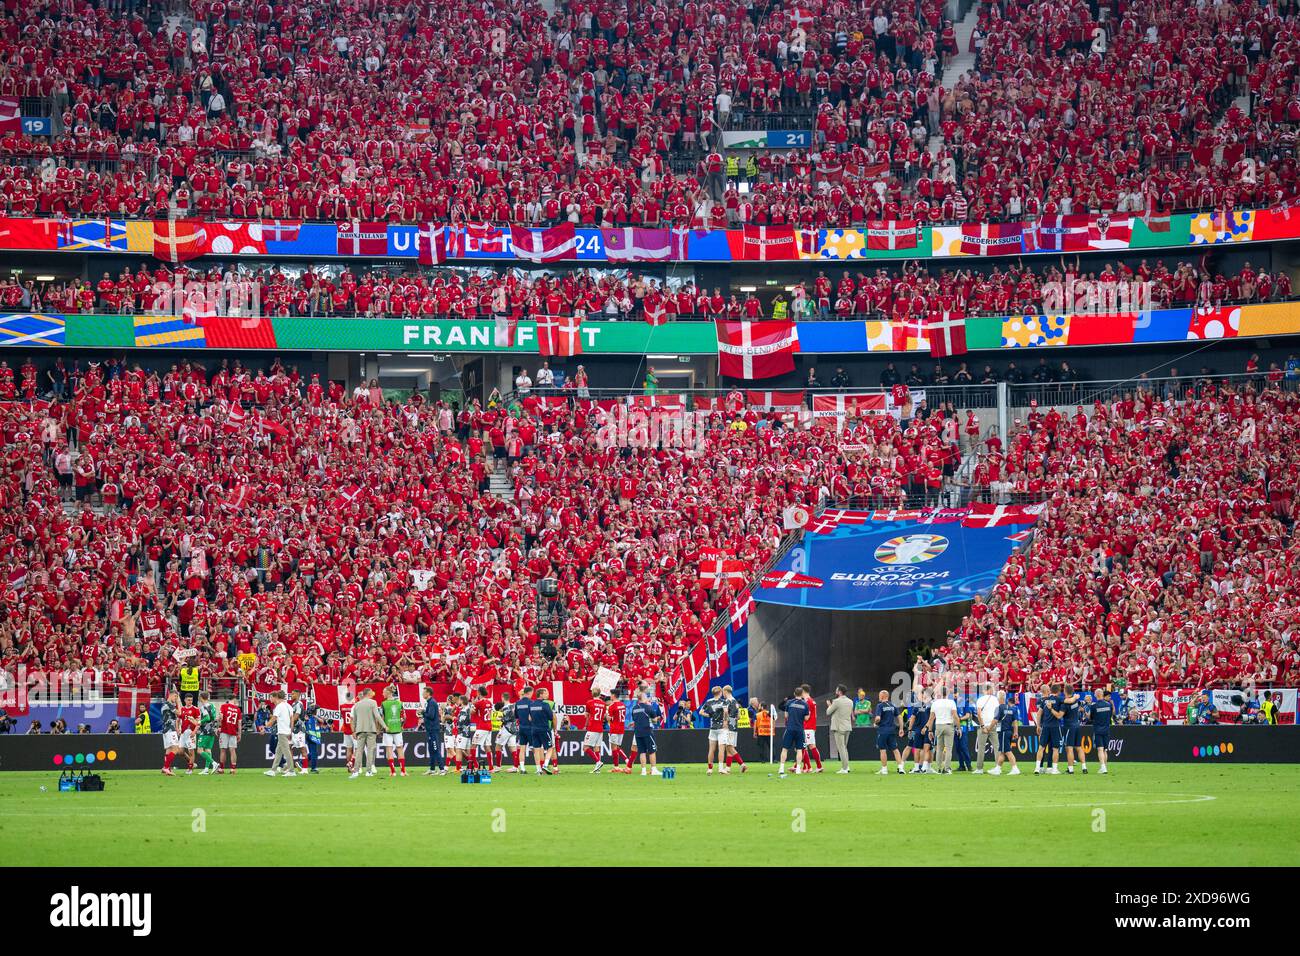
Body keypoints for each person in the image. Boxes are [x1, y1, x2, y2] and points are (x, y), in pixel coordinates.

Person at [349, 688, 383, 778]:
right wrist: (384, 726)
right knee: (370, 750)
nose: (373, 693)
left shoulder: (356, 705)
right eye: (371, 692)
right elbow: (377, 716)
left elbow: (353, 720)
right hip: (371, 730)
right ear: (368, 693)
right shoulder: (373, 702)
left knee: (359, 751)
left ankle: (356, 771)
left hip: (360, 730)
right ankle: (368, 771)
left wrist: (354, 730)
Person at [870, 690, 904, 775]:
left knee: (883, 750)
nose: (879, 697)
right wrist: (901, 728)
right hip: (892, 730)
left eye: (879, 695)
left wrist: (875, 723)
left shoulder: (880, 706)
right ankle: (900, 768)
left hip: (883, 731)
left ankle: (884, 769)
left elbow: (878, 718)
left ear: (882, 696)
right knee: (895, 749)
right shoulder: (893, 705)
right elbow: (899, 717)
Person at [927, 687, 959, 774]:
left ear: (940, 693)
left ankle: (939, 768)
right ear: (948, 693)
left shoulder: (935, 703)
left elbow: (931, 718)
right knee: (948, 749)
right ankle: (947, 768)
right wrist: (959, 728)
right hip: (948, 725)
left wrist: (930, 730)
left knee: (939, 749)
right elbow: (955, 716)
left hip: (938, 726)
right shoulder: (951, 702)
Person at [778, 687, 809, 778]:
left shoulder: (789, 703)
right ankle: (798, 769)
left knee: (785, 749)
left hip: (790, 728)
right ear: (802, 694)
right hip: (799, 729)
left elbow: (786, 715)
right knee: (799, 749)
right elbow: (807, 718)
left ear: (794, 694)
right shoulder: (805, 704)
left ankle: (781, 768)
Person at [265, 691, 297, 777]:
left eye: (271, 697)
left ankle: (291, 771)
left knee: (286, 751)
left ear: (277, 697)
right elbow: (292, 719)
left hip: (282, 732)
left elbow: (273, 719)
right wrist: (291, 731)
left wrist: (266, 726)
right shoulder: (289, 706)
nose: (270, 699)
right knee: (278, 751)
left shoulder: (279, 707)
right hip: (286, 731)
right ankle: (273, 770)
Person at [630, 690, 662, 776]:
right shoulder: (648, 707)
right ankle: (653, 769)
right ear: (643, 698)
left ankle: (643, 770)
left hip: (637, 732)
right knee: (652, 751)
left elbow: (635, 719)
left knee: (642, 752)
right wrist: (654, 719)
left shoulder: (634, 708)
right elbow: (655, 720)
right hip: (647, 731)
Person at [1034, 684, 1063, 775]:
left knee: (1041, 747)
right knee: (1055, 749)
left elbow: (1038, 714)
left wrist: (1038, 726)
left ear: (1051, 690)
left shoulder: (1045, 700)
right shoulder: (1059, 700)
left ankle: (1037, 768)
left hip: (1045, 726)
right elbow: (1060, 714)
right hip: (1055, 726)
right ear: (1058, 691)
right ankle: (1053, 769)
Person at [380, 685, 407, 777]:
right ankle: (403, 771)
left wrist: (381, 728)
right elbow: (404, 717)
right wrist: (402, 725)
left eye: (383, 692)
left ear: (388, 693)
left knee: (389, 749)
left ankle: (393, 771)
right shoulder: (399, 703)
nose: (382, 694)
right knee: (400, 749)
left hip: (388, 730)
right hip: (398, 729)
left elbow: (382, 718)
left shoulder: (383, 704)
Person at [973, 684, 1001, 774]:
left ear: (984, 690)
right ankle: (998, 767)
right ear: (990, 690)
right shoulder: (996, 699)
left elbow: (979, 713)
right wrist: (993, 725)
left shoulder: (980, 699)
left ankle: (979, 769)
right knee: (997, 747)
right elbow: (998, 713)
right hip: (993, 725)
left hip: (984, 726)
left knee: (981, 748)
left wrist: (982, 726)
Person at [826, 685, 854, 773]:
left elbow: (828, 712)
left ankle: (844, 768)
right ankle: (847, 766)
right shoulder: (850, 701)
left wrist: (829, 705)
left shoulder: (836, 701)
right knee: (844, 748)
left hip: (839, 727)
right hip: (847, 726)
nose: (835, 691)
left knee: (841, 748)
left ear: (839, 691)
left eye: (837, 690)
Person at [992, 691, 1020, 775]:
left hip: (1003, 731)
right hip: (1009, 731)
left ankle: (1015, 768)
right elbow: (1015, 721)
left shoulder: (1000, 708)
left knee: (1007, 751)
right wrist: (1015, 732)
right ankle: (998, 768)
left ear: (999, 698)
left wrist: (988, 729)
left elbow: (995, 720)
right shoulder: (1012, 708)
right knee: (1002, 751)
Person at [703, 686, 729, 774]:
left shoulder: (709, 701)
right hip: (721, 728)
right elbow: (725, 711)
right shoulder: (723, 701)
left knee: (711, 749)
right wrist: (725, 721)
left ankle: (710, 769)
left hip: (712, 727)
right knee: (721, 749)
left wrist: (709, 716)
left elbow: (701, 712)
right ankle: (721, 769)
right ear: (721, 693)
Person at [721, 686, 747, 773]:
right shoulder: (736, 702)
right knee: (729, 747)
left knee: (729, 747)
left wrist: (725, 722)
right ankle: (728, 768)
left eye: (723, 692)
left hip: (729, 725)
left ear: (726, 691)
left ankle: (742, 764)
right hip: (735, 725)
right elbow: (739, 716)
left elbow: (725, 712)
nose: (723, 694)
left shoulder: (726, 701)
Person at [1089, 686, 1113, 775]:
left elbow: (1091, 718)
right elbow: (1110, 715)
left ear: (1095, 695)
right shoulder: (1108, 705)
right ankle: (1104, 767)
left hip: (1098, 730)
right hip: (1106, 729)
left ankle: (1103, 768)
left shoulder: (1094, 706)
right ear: (1102, 695)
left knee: (1100, 749)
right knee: (1105, 750)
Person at [1062, 684, 1086, 773]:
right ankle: (1084, 768)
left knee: (1069, 748)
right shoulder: (1076, 700)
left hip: (1069, 727)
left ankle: (1071, 769)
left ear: (1065, 691)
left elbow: (1060, 715)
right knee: (1079, 747)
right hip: (1077, 726)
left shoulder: (1065, 703)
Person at [606, 690, 632, 773]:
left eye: (611, 694)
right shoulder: (622, 705)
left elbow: (609, 719)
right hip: (621, 728)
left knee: (614, 748)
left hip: (614, 729)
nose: (610, 696)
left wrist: (606, 714)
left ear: (613, 695)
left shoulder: (612, 706)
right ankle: (626, 761)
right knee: (617, 747)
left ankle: (617, 766)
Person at [582, 691, 609, 772]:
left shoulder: (589, 702)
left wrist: (588, 714)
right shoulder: (603, 704)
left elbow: (585, 715)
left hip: (592, 727)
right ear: (599, 694)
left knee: (585, 747)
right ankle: (598, 769)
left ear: (592, 694)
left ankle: (598, 762)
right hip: (600, 728)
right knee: (596, 748)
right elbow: (604, 716)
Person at [799, 683, 823, 772]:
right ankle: (807, 767)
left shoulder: (808, 702)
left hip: (808, 727)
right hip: (809, 726)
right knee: (804, 746)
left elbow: (807, 716)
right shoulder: (811, 700)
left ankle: (818, 766)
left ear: (803, 691)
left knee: (811, 746)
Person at [195, 691, 220, 774]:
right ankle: (206, 769)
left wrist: (199, 722)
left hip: (206, 730)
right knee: (208, 750)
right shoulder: (212, 705)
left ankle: (214, 763)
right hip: (212, 729)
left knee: (199, 750)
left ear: (201, 697)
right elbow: (214, 718)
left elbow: (207, 718)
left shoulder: (203, 707)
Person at [495, 692, 519, 773]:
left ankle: (498, 767)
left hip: (506, 729)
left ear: (502, 698)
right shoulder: (514, 706)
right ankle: (515, 767)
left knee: (498, 747)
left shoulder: (505, 708)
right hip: (514, 729)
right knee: (512, 748)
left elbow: (508, 718)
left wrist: (500, 719)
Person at [907, 693, 932, 772]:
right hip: (926, 729)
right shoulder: (931, 705)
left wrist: (910, 729)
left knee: (918, 749)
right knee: (926, 749)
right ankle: (924, 768)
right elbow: (932, 718)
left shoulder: (918, 705)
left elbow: (913, 718)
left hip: (919, 730)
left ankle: (918, 768)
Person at [421, 686, 443, 776]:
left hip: (433, 729)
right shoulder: (429, 702)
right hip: (430, 729)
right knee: (431, 749)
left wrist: (422, 712)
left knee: (435, 748)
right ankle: (432, 769)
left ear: (428, 693)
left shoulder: (432, 703)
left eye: (424, 692)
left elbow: (431, 715)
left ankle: (442, 769)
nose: (422, 694)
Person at [217, 695, 242, 774]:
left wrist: (219, 726)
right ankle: (233, 769)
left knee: (223, 750)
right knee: (232, 750)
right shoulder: (238, 709)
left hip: (224, 730)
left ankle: (221, 768)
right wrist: (240, 734)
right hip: (233, 732)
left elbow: (220, 717)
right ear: (234, 700)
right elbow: (239, 723)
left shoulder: (224, 706)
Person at [160, 691, 182, 777]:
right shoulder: (168, 704)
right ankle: (166, 767)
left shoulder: (165, 704)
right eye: (175, 696)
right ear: (171, 695)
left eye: (177, 697)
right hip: (170, 729)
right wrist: (178, 702)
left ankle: (167, 769)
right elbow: (179, 713)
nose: (176, 698)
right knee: (176, 748)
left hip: (166, 729)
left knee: (169, 750)